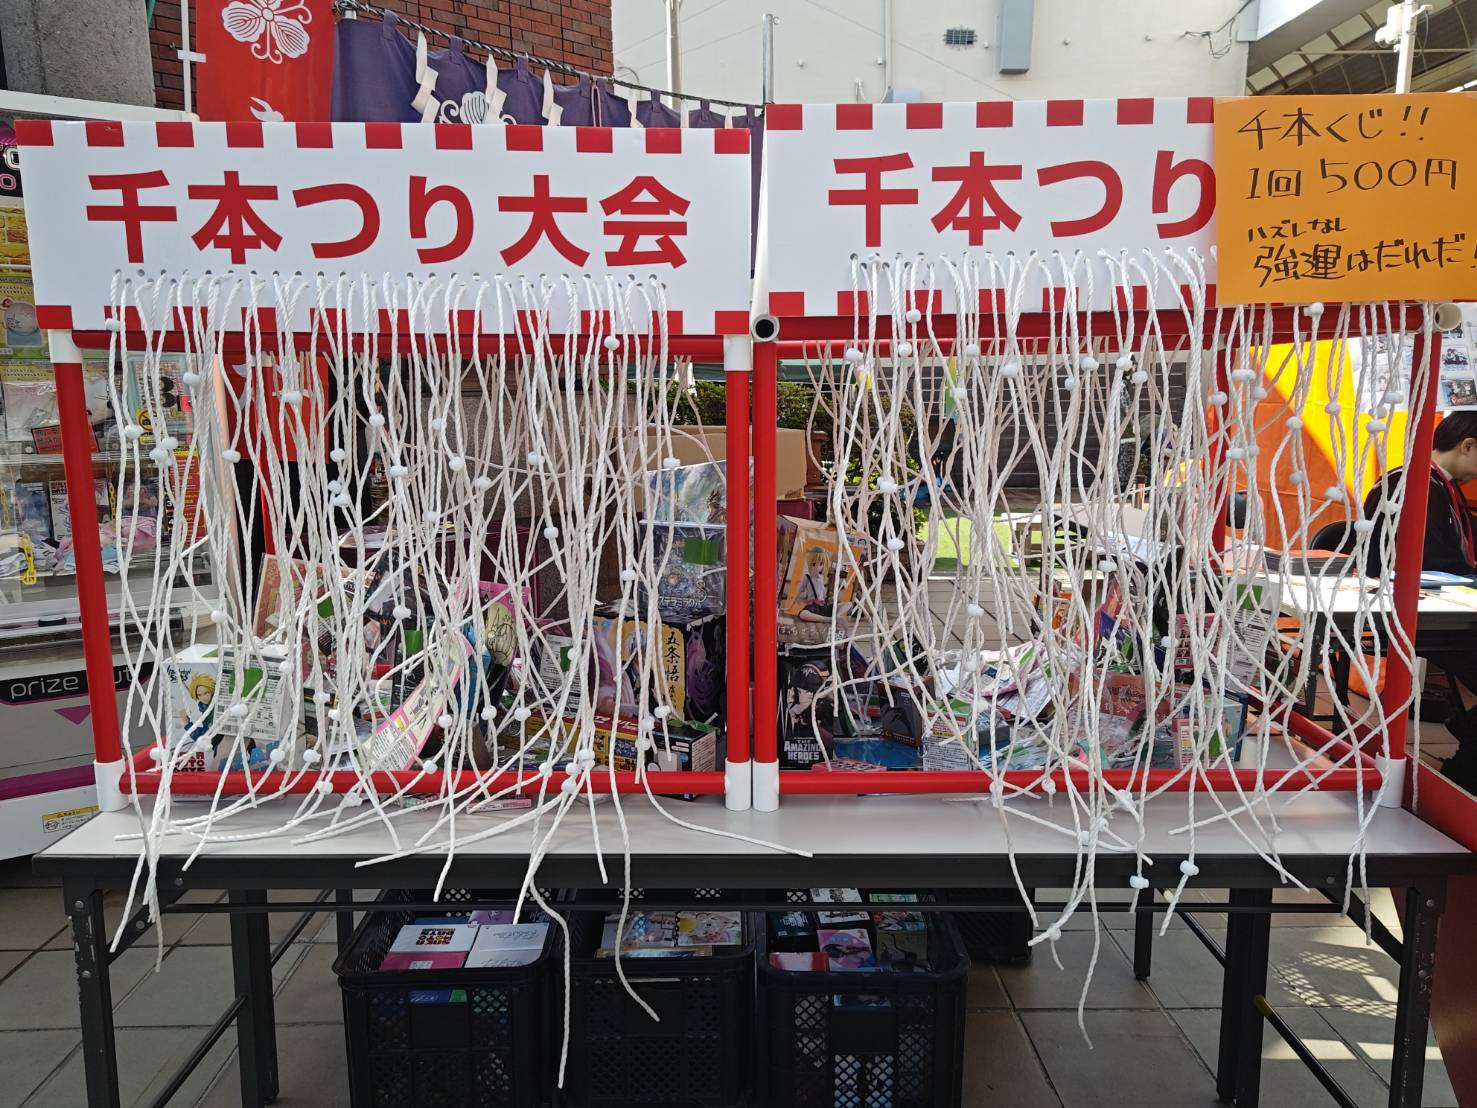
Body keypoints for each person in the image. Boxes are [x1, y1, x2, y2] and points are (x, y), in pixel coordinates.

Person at [1363, 411, 1477, 791]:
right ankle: (1464, 773)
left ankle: (1467, 737)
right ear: (1467, 446)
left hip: (1444, 612)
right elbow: (1425, 564)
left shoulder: (1443, 487)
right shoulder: (1408, 485)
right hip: (1413, 614)